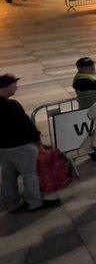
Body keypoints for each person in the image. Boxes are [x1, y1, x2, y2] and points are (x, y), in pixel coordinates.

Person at [0, 74, 61, 212]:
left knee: (8, 177)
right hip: (20, 147)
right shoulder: (12, 105)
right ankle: (34, 202)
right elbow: (25, 125)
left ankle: (12, 204)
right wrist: (37, 140)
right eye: (14, 84)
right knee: (30, 175)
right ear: (6, 87)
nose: (16, 87)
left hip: (2, 149)